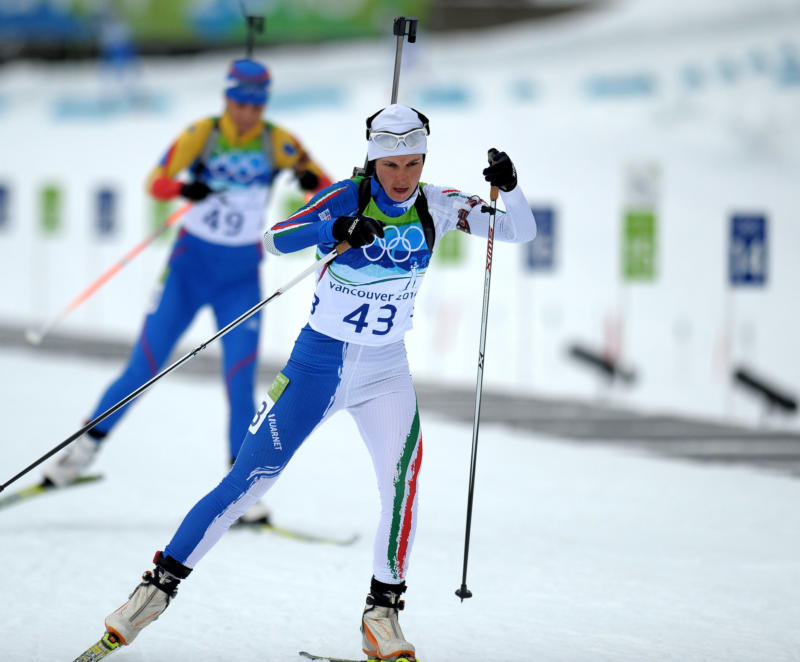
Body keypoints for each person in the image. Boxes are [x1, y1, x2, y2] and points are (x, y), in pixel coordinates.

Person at [96, 105, 536, 661]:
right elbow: (274, 239)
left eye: (413, 163)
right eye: (391, 164)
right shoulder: (345, 197)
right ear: (373, 160)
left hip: (386, 371)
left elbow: (519, 230)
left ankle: (382, 615)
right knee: (249, 481)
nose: (401, 177)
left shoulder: (439, 203)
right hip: (317, 366)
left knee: (403, 487)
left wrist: (510, 188)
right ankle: (152, 593)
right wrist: (335, 229)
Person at [42, 59, 332, 526]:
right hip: (188, 269)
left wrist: (307, 182)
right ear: (227, 98)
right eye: (240, 104)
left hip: (239, 277)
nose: (247, 115)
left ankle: (242, 486)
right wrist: (184, 186)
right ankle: (81, 451)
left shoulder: (278, 142)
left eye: (256, 106)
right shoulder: (203, 134)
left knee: (241, 379)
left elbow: (325, 190)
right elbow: (154, 183)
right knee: (146, 364)